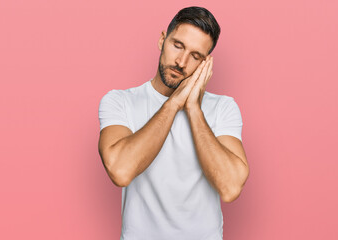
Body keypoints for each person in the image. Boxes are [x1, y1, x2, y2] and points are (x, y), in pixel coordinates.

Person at [98, 6, 249, 240]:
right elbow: (120, 171)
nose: (181, 61)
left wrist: (193, 108)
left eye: (195, 56)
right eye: (177, 45)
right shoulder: (120, 101)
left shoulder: (223, 108)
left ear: (205, 64)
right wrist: (173, 103)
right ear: (162, 40)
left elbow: (230, 188)